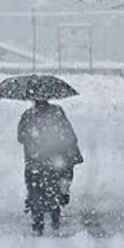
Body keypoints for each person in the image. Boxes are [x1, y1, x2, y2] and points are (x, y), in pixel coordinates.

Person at [18, 99, 82, 234]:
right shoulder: (57, 112)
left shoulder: (28, 115)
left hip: (35, 160)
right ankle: (54, 212)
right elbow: (68, 133)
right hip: (53, 159)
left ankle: (38, 221)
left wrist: (33, 138)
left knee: (35, 189)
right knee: (54, 186)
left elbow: (21, 137)